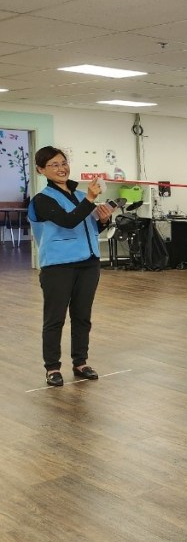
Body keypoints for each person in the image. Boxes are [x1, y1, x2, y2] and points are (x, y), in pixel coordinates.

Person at [27, 146, 114, 387]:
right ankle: (52, 368)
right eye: (54, 165)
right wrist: (90, 200)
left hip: (88, 264)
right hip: (58, 267)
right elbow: (67, 221)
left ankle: (80, 362)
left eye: (63, 163)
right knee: (55, 319)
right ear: (41, 170)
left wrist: (103, 220)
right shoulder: (41, 200)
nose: (61, 168)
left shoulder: (80, 195)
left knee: (82, 317)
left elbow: (89, 227)